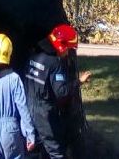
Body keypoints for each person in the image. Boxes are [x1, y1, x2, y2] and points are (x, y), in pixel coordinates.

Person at [24, 24, 91, 159]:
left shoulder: (33, 56)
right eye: (68, 49)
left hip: (27, 106)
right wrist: (79, 81)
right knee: (56, 151)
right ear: (61, 45)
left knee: (37, 146)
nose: (68, 53)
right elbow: (61, 91)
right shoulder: (55, 63)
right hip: (44, 112)